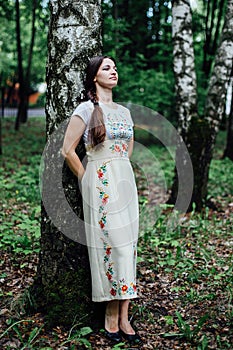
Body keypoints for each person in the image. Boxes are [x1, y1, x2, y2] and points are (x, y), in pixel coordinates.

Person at [62, 55, 141, 345]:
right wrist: (88, 178)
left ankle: (124, 314)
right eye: (106, 68)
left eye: (115, 67)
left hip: (125, 183)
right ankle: (110, 312)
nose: (113, 71)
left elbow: (127, 149)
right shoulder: (86, 108)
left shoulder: (124, 111)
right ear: (94, 76)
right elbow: (67, 150)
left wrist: (120, 172)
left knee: (129, 245)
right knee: (114, 246)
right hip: (100, 183)